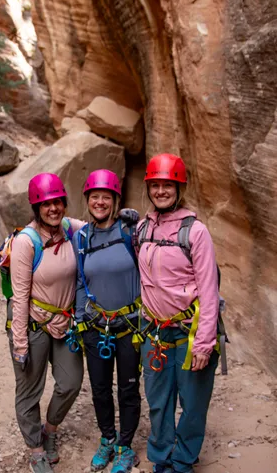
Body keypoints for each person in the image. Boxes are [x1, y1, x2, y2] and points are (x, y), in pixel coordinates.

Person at [137, 154, 220, 473]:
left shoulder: (196, 231)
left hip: (188, 330)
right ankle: (160, 458)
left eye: (167, 185)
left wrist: (204, 343)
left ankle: (183, 460)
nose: (160, 191)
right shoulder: (143, 228)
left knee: (193, 403)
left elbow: (209, 289)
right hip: (154, 331)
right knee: (158, 401)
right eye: (155, 185)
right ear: (149, 188)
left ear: (179, 187)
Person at [8, 173, 85, 473]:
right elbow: (19, 297)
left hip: (64, 324)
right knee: (30, 390)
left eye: (57, 202)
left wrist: (129, 224)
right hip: (33, 325)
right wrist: (20, 343)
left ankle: (49, 430)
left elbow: (100, 229)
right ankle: (36, 448)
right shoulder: (26, 242)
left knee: (71, 383)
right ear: (36, 208)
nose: (53, 208)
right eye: (46, 204)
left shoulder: (69, 227)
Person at [73, 169, 142, 473]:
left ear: (115, 200)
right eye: (94, 196)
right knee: (100, 388)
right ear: (87, 200)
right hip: (95, 327)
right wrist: (78, 319)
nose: (99, 202)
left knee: (127, 388)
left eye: (106, 197)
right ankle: (107, 439)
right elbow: (78, 281)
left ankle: (125, 447)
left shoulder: (130, 232)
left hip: (128, 326)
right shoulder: (82, 237)